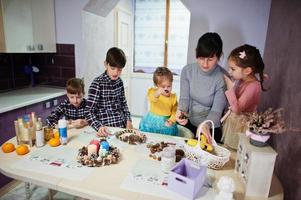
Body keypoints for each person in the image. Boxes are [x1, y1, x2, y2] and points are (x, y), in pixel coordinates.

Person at [176, 32, 227, 144]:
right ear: (196, 53)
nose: (205, 64)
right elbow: (184, 98)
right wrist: (181, 112)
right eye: (201, 58)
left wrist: (205, 125)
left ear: (219, 56)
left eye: (210, 59)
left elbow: (216, 111)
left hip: (210, 128)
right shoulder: (187, 71)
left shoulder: (223, 78)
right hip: (189, 123)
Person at [221, 44, 267, 149]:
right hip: (234, 122)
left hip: (241, 127)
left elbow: (237, 109)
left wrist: (230, 88)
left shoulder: (254, 86)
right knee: (228, 148)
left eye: (233, 69)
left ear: (247, 71)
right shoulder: (242, 80)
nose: (229, 72)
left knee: (236, 150)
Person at [85, 47, 133, 136]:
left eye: (119, 70)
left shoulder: (119, 82)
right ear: (106, 64)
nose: (116, 73)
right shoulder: (97, 83)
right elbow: (88, 112)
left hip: (122, 127)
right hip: (106, 130)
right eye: (113, 68)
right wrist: (99, 127)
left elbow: (124, 104)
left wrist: (128, 120)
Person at [139, 67, 178, 136]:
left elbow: (175, 111)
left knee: (166, 139)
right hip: (151, 121)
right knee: (150, 136)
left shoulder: (173, 97)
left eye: (169, 86)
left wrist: (171, 120)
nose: (166, 88)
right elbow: (152, 99)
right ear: (157, 85)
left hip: (166, 122)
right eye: (163, 86)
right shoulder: (153, 92)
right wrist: (157, 93)